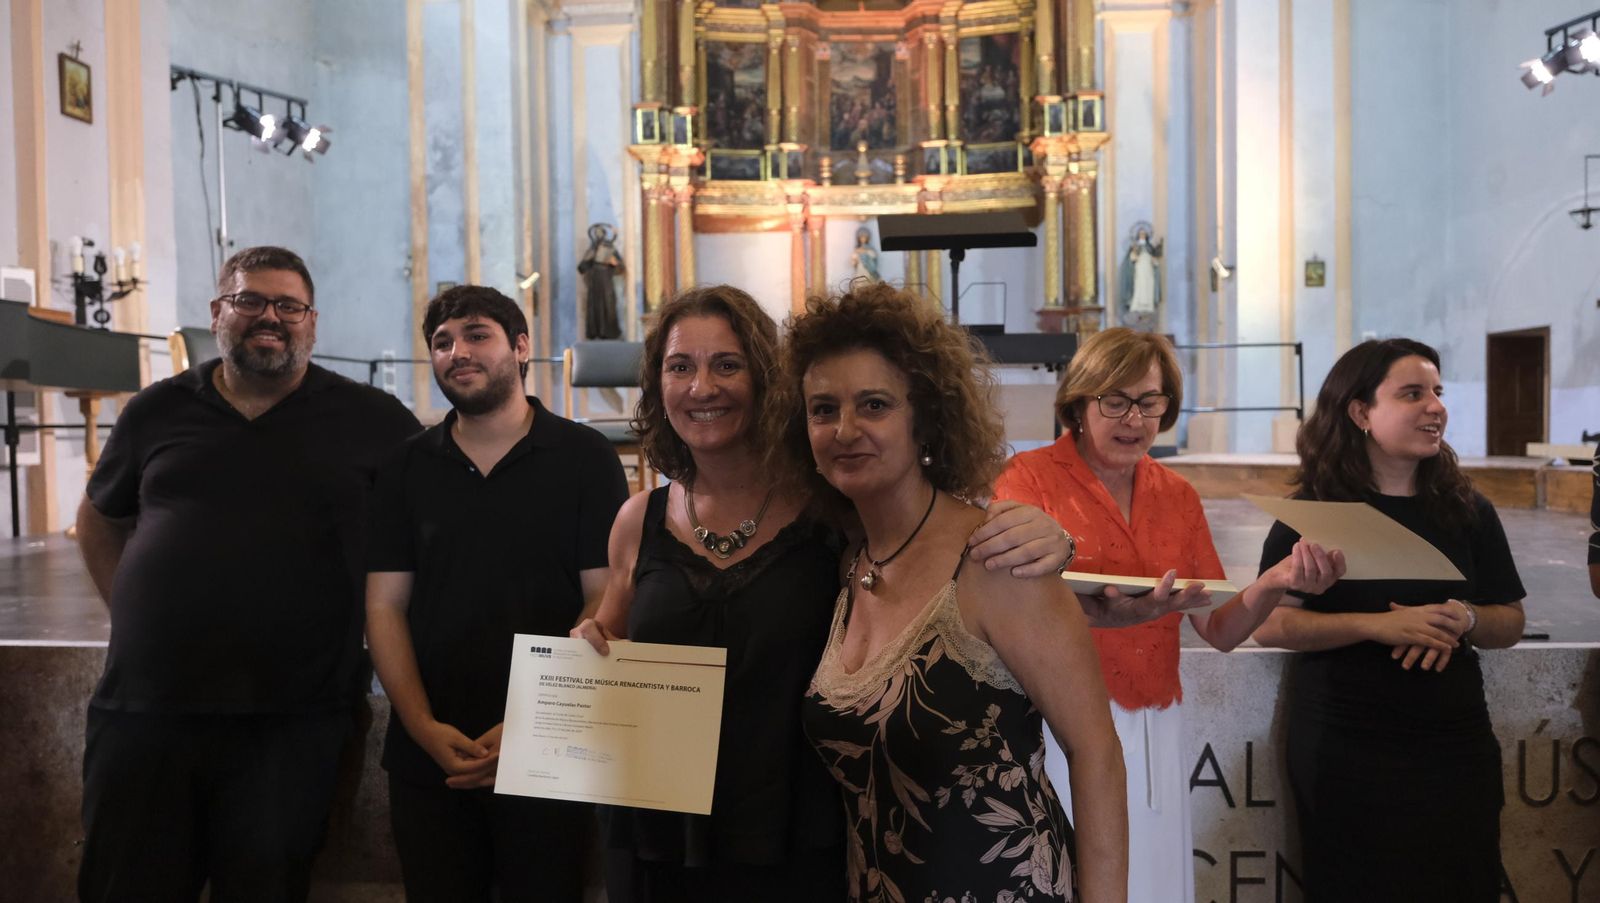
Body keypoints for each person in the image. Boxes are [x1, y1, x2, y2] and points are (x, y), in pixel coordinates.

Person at [571, 284, 1072, 902]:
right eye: (680, 367)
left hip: (797, 845)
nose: (702, 387)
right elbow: (610, 640)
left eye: (727, 365)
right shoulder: (637, 520)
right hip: (659, 840)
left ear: (767, 381)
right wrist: (588, 644)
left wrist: (1050, 538)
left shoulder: (835, 515)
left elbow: (943, 566)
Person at [74, 246, 422, 901]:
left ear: (312, 322)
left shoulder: (374, 421)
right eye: (250, 300)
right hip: (148, 711)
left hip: (293, 720)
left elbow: (431, 529)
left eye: (288, 305)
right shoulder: (157, 409)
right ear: (218, 312)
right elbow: (98, 518)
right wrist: (134, 611)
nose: (271, 316)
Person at [778, 283, 1128, 903]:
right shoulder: (850, 563)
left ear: (925, 418)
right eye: (823, 409)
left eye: (875, 404)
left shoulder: (996, 557)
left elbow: (1096, 754)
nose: (845, 428)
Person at [990, 327, 1342, 903]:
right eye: (1116, 400)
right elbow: (1011, 608)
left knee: (1155, 878)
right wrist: (1107, 617)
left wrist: (1277, 581)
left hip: (1158, 717)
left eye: (1150, 402)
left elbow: (1221, 629)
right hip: (1060, 715)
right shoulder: (1028, 478)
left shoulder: (1177, 494)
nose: (1134, 418)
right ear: (1079, 402)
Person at [365, 285, 629, 901]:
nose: (458, 351)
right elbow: (384, 605)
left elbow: (605, 601)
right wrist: (423, 726)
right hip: (431, 751)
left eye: (476, 334)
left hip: (553, 743)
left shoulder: (584, 457)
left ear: (520, 346)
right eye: (442, 342)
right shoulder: (405, 467)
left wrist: (532, 722)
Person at [1251, 338, 1526, 902]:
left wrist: (1465, 617)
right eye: (1412, 393)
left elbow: (1511, 620)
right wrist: (1376, 625)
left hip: (1454, 742)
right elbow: (1271, 625)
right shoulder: (1317, 512)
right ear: (1360, 412)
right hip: (1346, 745)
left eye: (1437, 392)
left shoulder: (1468, 510)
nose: (1436, 406)